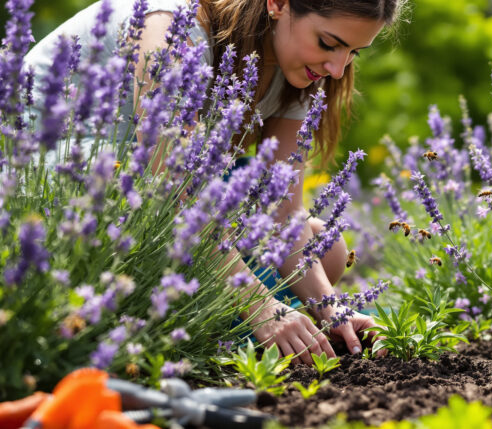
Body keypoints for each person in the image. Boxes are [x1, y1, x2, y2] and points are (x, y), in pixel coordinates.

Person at [23, 0, 404, 365]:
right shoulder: (173, 28)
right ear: (278, 3)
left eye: (353, 53)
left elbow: (284, 208)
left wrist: (331, 308)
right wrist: (259, 303)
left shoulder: (303, 68)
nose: (337, 69)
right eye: (328, 43)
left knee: (327, 249)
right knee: (254, 287)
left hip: (150, 197)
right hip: (60, 180)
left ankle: (213, 324)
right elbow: (175, 190)